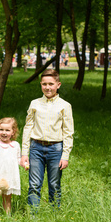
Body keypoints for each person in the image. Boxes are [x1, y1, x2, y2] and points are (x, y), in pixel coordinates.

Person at [20, 69, 74, 210]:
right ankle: (32, 214)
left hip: (56, 149)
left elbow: (68, 132)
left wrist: (65, 155)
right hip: (36, 148)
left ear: (58, 84)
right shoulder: (35, 104)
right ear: (41, 85)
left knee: (54, 184)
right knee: (34, 184)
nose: (47, 87)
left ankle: (54, 214)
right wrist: (24, 153)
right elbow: (28, 128)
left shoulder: (65, 106)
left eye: (51, 84)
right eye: (44, 84)